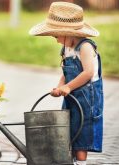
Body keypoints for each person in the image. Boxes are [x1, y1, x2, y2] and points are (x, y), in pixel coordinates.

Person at [29, 2, 103, 165]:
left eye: (56, 36)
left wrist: (68, 87)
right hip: (72, 95)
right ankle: (71, 160)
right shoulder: (66, 48)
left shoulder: (85, 47)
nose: (56, 40)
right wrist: (60, 86)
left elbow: (88, 73)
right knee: (69, 127)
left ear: (68, 32)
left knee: (83, 129)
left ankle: (81, 162)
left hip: (87, 97)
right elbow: (65, 72)